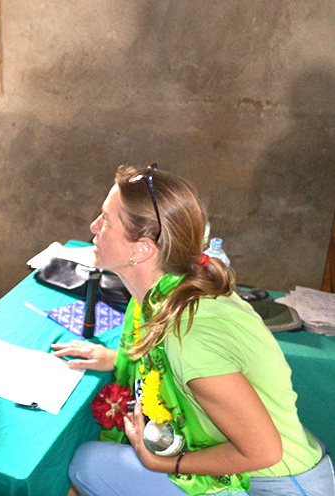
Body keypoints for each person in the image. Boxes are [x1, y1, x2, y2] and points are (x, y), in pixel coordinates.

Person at [53, 164, 335, 496]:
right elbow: (177, 369)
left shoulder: (188, 333)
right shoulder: (168, 293)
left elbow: (263, 451)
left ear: (142, 249)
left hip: (276, 482)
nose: (93, 227)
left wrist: (166, 463)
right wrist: (120, 359)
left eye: (106, 220)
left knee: (90, 464)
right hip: (282, 465)